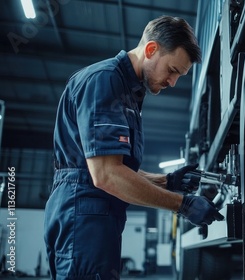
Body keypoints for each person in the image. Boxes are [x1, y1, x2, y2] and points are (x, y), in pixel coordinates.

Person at [44, 15, 224, 279]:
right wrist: (182, 205)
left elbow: (114, 166)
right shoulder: (104, 81)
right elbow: (106, 175)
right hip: (83, 215)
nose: (173, 83)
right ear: (151, 49)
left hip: (93, 214)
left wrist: (168, 180)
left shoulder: (127, 90)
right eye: (172, 70)